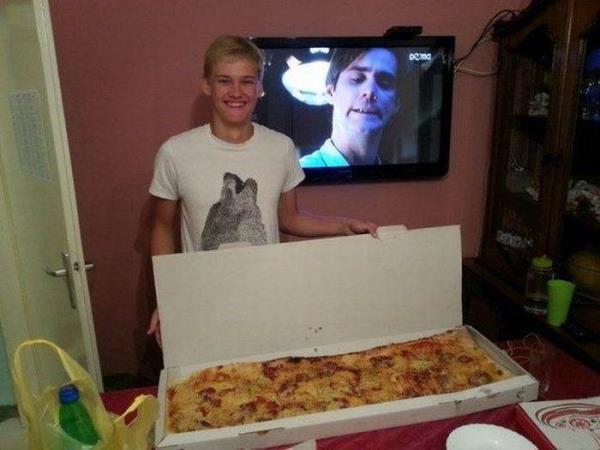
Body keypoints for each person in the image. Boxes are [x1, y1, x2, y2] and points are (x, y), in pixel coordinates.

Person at [147, 36, 378, 345]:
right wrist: (165, 298)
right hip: (202, 301)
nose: (236, 92)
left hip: (268, 298)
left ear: (259, 87)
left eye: (246, 81)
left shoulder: (281, 148)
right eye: (224, 81)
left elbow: (289, 218)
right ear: (207, 85)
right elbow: (162, 227)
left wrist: (344, 226)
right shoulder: (175, 152)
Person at [300, 47, 401, 168]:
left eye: (384, 83)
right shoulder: (298, 173)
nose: (370, 91)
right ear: (330, 93)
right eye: (357, 79)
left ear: (396, 104)